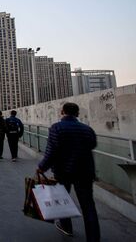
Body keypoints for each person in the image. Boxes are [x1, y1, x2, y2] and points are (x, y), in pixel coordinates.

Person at [37, 102, 100, 241]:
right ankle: (94, 237)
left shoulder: (57, 128)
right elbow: (92, 144)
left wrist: (42, 167)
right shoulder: (87, 129)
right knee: (88, 206)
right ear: (77, 113)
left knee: (62, 199)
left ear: (62, 112)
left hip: (63, 171)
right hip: (85, 172)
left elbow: (51, 151)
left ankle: (66, 227)